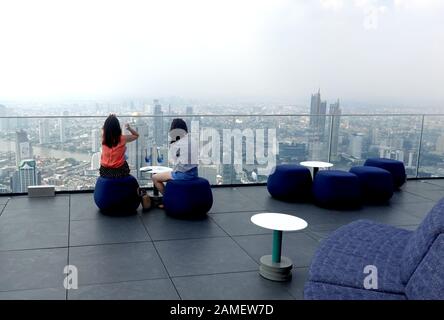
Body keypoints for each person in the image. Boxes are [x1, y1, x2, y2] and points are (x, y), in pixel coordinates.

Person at [99, 114, 151, 210]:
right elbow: (136, 135)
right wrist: (129, 128)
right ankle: (142, 195)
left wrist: (109, 119)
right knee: (127, 168)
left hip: (104, 171)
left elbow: (103, 129)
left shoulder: (103, 137)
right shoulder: (122, 138)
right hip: (120, 171)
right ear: (118, 127)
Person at [152, 118, 198, 204]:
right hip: (194, 173)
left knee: (155, 178)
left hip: (182, 175)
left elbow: (172, 160)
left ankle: (168, 199)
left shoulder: (177, 143)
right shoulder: (193, 140)